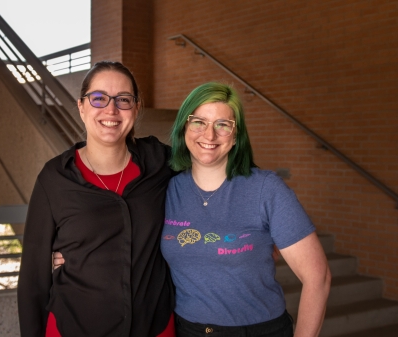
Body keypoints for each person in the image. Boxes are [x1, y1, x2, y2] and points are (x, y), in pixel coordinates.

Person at [17, 61, 175, 337]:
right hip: (74, 327)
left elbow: (219, 166)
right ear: (81, 106)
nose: (111, 110)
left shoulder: (160, 162)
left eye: (123, 100)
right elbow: (33, 279)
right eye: (99, 98)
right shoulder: (55, 178)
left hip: (153, 326)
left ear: (137, 108)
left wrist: (265, 222)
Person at [160, 82, 331, 336]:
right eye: (199, 122)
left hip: (257, 330)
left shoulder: (265, 189)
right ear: (184, 126)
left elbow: (318, 277)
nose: (209, 135)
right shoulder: (168, 189)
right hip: (187, 330)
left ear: (236, 135)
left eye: (222, 125)